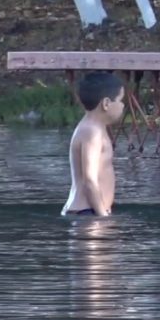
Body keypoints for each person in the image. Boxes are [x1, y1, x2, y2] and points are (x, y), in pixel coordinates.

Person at [62, 72, 125, 216]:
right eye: (121, 100)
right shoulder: (92, 131)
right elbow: (89, 180)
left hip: (91, 211)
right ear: (106, 103)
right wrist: (102, 216)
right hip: (87, 212)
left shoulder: (94, 128)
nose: (122, 106)